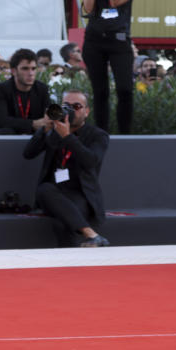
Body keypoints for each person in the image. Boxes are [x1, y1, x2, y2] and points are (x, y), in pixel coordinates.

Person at [23, 90, 110, 247]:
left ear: (86, 111)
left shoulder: (98, 135)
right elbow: (28, 153)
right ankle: (91, 234)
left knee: (61, 223)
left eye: (76, 106)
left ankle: (71, 265)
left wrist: (68, 137)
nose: (70, 110)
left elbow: (91, 161)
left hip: (81, 193)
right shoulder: (53, 131)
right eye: (66, 106)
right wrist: (44, 129)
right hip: (54, 191)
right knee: (44, 189)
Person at [81, 0, 140, 134]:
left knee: (124, 89)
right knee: (100, 91)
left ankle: (125, 136)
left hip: (119, 40)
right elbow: (88, 9)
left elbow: (116, 1)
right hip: (95, 39)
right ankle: (101, 134)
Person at [0, 48, 51, 134]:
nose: (31, 73)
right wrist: (32, 124)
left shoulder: (41, 89)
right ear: (13, 71)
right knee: (5, 132)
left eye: (33, 68)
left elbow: (47, 117)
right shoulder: (1, 89)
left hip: (34, 136)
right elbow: (1, 120)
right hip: (5, 137)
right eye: (25, 69)